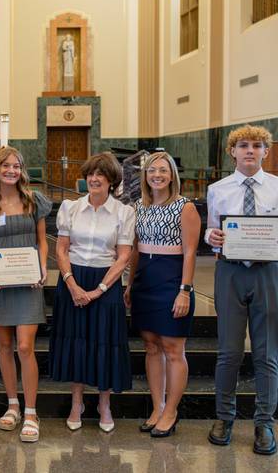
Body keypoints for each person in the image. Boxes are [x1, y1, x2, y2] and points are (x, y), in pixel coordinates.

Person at [205, 125, 277, 455]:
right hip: (230, 272)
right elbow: (211, 230)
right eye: (243, 145)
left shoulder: (277, 188)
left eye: (257, 145)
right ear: (232, 152)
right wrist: (212, 237)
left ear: (266, 151)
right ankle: (224, 417)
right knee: (229, 352)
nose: (250, 150)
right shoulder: (218, 189)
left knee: (267, 353)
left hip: (267, 274)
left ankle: (264, 422)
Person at [50, 152, 134, 433]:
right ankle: (77, 403)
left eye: (101, 175)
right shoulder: (70, 208)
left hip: (106, 282)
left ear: (111, 181)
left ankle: (104, 404)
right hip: (72, 278)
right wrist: (72, 284)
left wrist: (98, 290)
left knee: (104, 341)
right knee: (77, 341)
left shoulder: (124, 213)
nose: (94, 179)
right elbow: (61, 249)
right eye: (90, 174)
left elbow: (123, 256)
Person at [0, 146, 51, 443]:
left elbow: (42, 241)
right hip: (1, 279)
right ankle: (13, 406)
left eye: (16, 166)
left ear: (22, 170)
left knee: (24, 346)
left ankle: (31, 411)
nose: (11, 170)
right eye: (6, 165)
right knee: (4, 345)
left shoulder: (34, 201)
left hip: (28, 279)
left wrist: (43, 267)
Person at [124, 152, 200, 438]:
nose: (157, 175)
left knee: (173, 348)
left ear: (172, 175)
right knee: (151, 346)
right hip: (145, 278)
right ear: (145, 175)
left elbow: (191, 252)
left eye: (163, 170)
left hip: (172, 278)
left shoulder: (185, 207)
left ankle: (171, 411)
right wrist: (130, 285)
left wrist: (185, 290)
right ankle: (157, 407)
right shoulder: (139, 207)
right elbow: (134, 249)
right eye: (152, 170)